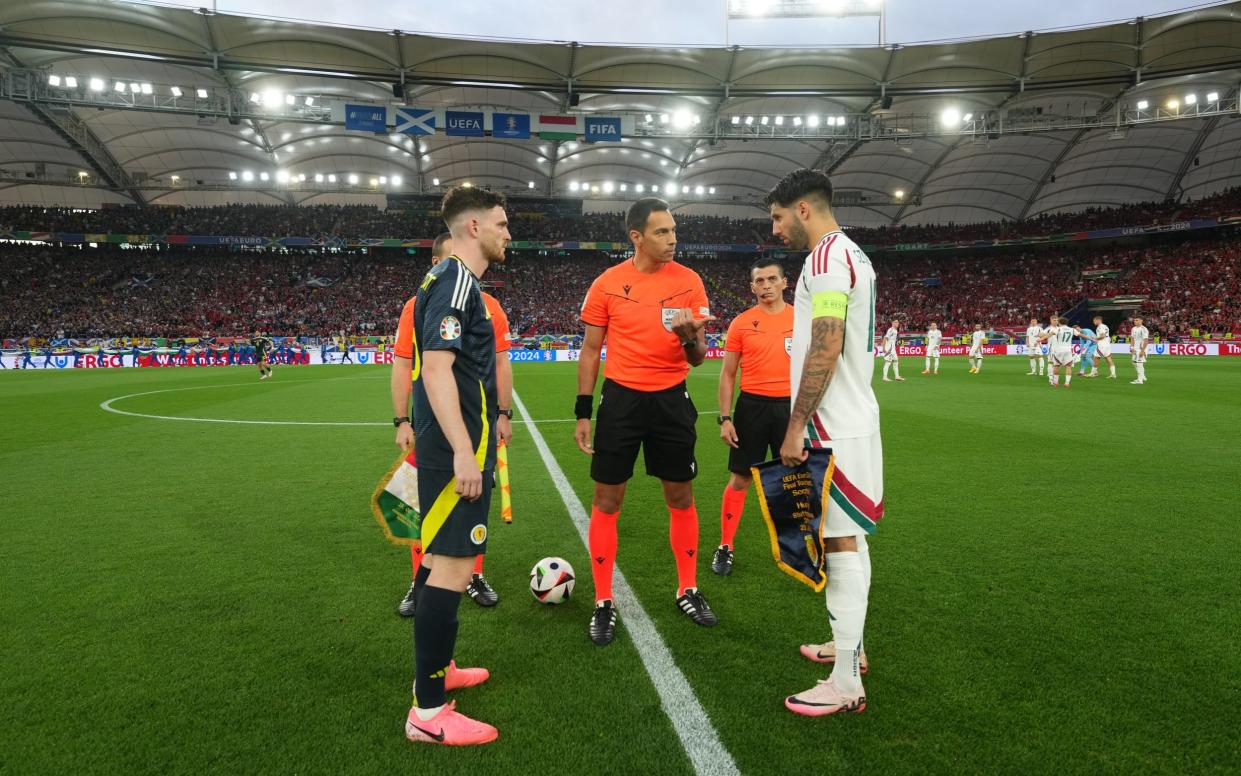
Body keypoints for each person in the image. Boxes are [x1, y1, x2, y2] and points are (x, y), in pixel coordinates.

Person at [574, 197, 718, 647]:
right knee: (608, 499)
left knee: (680, 494)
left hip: (672, 401)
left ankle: (688, 588)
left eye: (674, 230)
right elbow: (590, 351)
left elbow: (698, 359)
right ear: (636, 237)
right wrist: (583, 411)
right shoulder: (607, 284)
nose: (673, 239)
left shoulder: (690, 282)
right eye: (661, 232)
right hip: (621, 402)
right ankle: (603, 600)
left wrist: (690, 338)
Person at [766, 169, 882, 716]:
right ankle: (848, 649)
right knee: (850, 539)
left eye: (778, 217)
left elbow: (826, 345)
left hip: (832, 424)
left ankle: (844, 682)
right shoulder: (855, 254)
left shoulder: (827, 258)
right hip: (852, 417)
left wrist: (795, 426)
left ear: (803, 210)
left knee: (839, 544)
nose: (775, 230)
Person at [404, 185, 509, 747]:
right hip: (453, 452)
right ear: (473, 227)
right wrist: (466, 452)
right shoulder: (456, 281)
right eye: (500, 223)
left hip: (453, 446)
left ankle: (438, 672)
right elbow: (439, 371)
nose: (506, 233)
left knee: (443, 566)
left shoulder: (444, 279)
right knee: (451, 568)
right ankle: (428, 711)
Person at [394, 232, 514, 617]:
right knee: (425, 504)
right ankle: (419, 581)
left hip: (474, 424)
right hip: (432, 423)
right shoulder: (416, 306)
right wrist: (401, 419)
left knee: (472, 500)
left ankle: (472, 573)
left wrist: (504, 414)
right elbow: (403, 363)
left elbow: (499, 362)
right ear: (435, 265)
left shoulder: (490, 306)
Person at [714, 259, 793, 576]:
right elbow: (728, 373)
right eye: (759, 281)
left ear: (785, 282)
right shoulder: (741, 323)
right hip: (751, 408)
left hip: (790, 408)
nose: (766, 286)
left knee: (793, 479)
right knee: (741, 478)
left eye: (772, 279)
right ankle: (725, 546)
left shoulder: (802, 319)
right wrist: (725, 418)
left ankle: (795, 546)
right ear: (752, 287)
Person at [1040, 315, 1076, 387]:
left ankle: (1056, 380)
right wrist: (1044, 335)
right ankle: (1051, 379)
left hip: (1060, 349)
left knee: (1059, 365)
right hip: (1052, 349)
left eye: (1056, 320)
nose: (1055, 321)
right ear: (1050, 320)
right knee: (1051, 363)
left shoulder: (1060, 328)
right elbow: (1040, 334)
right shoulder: (1048, 328)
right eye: (1054, 320)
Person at [1130, 316, 1150, 384]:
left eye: (1137, 320)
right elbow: (1132, 338)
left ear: (1141, 321)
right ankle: (1142, 376)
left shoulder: (1144, 329)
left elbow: (1146, 340)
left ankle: (1140, 380)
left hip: (1141, 348)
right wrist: (1131, 347)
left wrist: (1142, 351)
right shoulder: (1133, 328)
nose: (1135, 321)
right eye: (1134, 320)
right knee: (1134, 362)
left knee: (1139, 363)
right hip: (1135, 348)